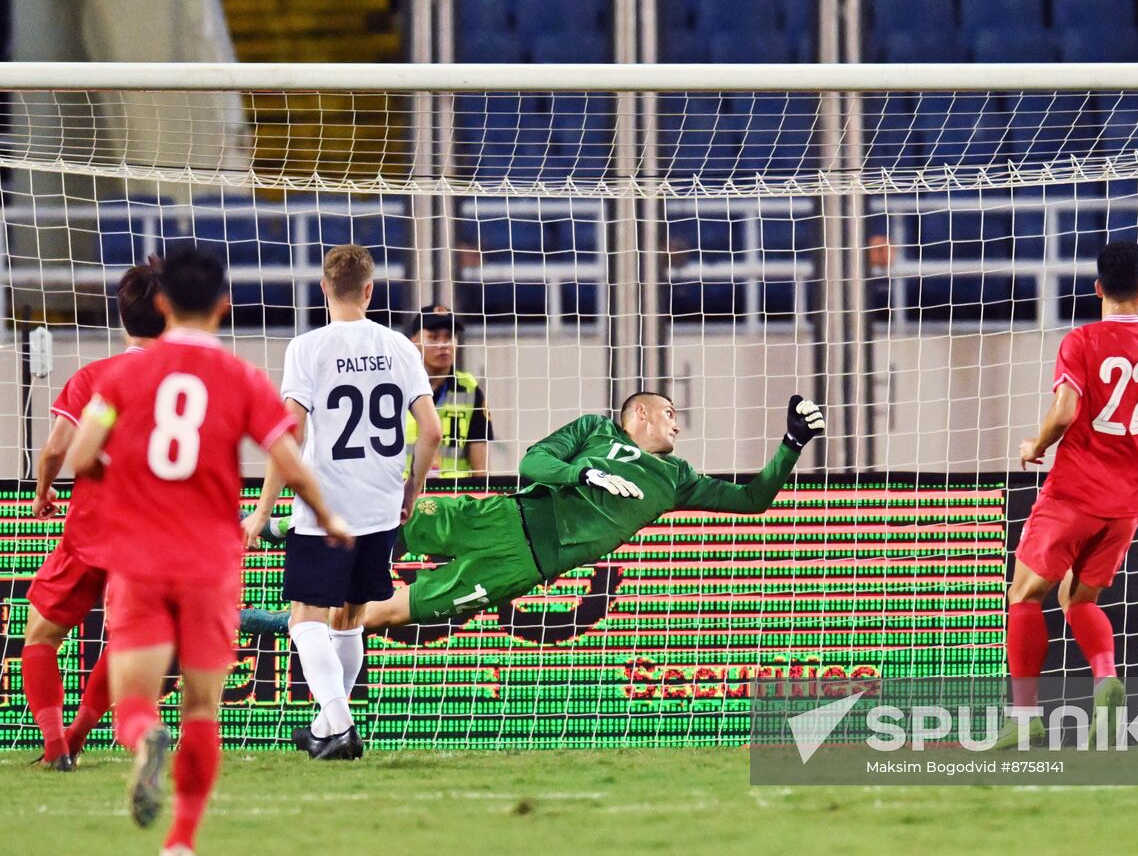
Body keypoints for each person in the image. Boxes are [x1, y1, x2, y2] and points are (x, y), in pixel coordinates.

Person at [67, 247, 352, 856]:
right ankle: (181, 843)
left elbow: (80, 457)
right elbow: (288, 457)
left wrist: (124, 473)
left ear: (161, 304)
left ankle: (145, 740)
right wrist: (327, 518)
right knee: (202, 709)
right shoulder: (241, 378)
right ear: (225, 305)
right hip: (211, 563)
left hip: (140, 558)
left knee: (136, 700)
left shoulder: (120, 377)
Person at [242, 392, 826, 638]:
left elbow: (752, 500)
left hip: (521, 566)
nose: (677, 425)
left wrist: (791, 446)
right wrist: (582, 474)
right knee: (385, 517)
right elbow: (532, 461)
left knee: (396, 611)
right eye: (670, 414)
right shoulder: (595, 431)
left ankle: (267, 621)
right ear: (641, 416)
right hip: (500, 516)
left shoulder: (677, 480)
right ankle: (275, 530)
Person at [240, 245, 441, 761]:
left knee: (305, 618)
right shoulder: (399, 346)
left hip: (325, 504)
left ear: (325, 288)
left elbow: (289, 433)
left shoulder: (307, 348)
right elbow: (432, 430)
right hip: (378, 503)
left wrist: (263, 511)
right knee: (349, 618)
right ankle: (327, 725)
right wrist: (410, 491)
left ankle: (341, 724)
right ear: (370, 290)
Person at [994, 242, 1138, 749]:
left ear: (1098, 287)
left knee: (1023, 595)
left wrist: (1035, 446)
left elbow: (1063, 411)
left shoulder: (1081, 340)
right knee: (1077, 598)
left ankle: (1023, 719)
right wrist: (1133, 427)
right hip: (1125, 503)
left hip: (1073, 493)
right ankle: (1106, 677)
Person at [23, 258, 163, 771]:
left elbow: (57, 450)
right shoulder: (184, 385)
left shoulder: (96, 378)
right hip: (152, 537)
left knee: (40, 637)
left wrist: (42, 492)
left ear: (122, 316)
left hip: (90, 530)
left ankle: (57, 747)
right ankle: (81, 736)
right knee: (127, 644)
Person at [401, 305, 494, 477]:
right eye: (433, 337)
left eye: (449, 337)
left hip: (454, 498)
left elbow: (481, 470)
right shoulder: (396, 388)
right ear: (413, 340)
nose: (443, 345)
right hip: (402, 495)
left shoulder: (470, 391)